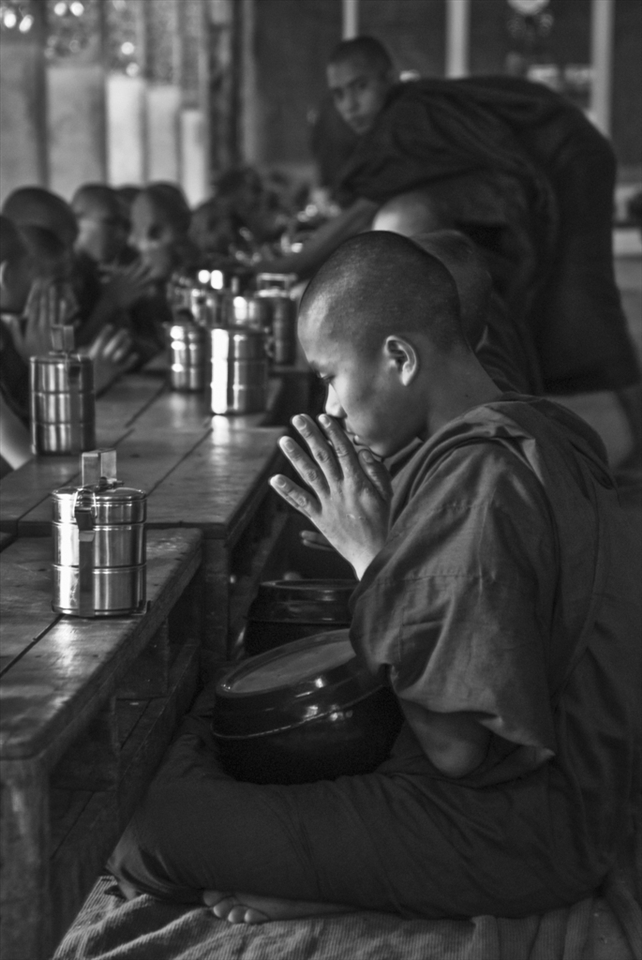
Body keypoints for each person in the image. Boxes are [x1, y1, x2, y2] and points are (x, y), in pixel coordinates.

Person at [108, 232, 639, 925]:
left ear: (399, 357)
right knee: (215, 726)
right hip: (577, 794)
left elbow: (454, 750)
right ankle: (334, 876)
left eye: (330, 375)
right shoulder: (535, 428)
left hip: (516, 829)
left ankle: (342, 887)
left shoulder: (482, 481)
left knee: (142, 830)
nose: (328, 407)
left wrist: (374, 560)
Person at [259, 37, 641, 456]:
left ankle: (635, 435)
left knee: (581, 303)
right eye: (339, 94)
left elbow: (358, 214)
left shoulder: (409, 116)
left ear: (389, 79)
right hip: (552, 161)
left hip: (572, 159)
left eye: (360, 87)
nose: (350, 104)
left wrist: (285, 264)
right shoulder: (400, 125)